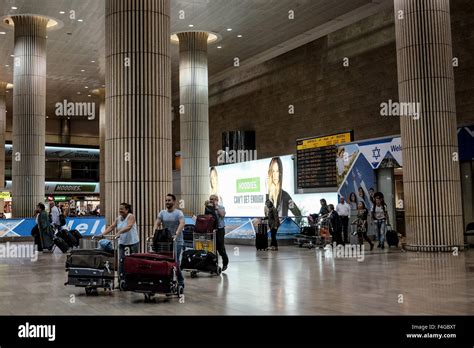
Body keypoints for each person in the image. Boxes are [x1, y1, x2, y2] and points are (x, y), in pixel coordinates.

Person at [153, 194, 185, 291]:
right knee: (165, 261)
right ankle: (167, 280)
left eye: (169, 200)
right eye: (166, 200)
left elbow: (182, 223)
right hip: (165, 241)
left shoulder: (178, 213)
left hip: (177, 241)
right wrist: (154, 233)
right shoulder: (162, 213)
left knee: (175, 262)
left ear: (174, 202)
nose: (167, 202)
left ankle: (180, 281)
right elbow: (157, 222)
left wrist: (176, 233)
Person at [100, 202, 140, 277]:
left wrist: (119, 232)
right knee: (121, 261)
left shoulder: (130, 216)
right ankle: (121, 278)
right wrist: (103, 234)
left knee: (134, 260)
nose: (120, 210)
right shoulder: (118, 218)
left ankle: (133, 278)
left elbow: (129, 226)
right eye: (119, 209)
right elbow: (112, 227)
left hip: (133, 242)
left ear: (127, 210)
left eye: (122, 209)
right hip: (122, 243)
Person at [209, 195, 229, 271]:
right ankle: (214, 265)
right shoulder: (209, 207)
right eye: (210, 199)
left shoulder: (221, 207)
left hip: (220, 229)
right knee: (213, 248)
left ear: (216, 200)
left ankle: (225, 262)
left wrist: (217, 208)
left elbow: (222, 215)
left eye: (213, 199)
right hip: (212, 230)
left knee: (220, 248)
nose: (211, 201)